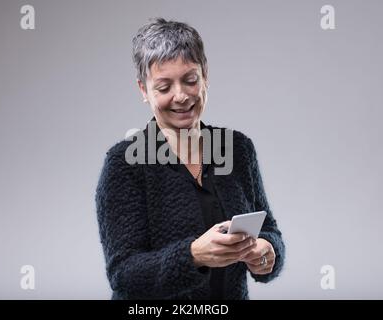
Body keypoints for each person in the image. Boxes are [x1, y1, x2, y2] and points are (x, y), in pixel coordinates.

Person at [95, 18, 285, 300]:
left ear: (205, 75)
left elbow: (269, 231)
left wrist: (267, 252)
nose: (181, 96)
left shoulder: (238, 148)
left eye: (190, 80)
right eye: (163, 87)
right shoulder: (125, 163)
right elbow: (124, 275)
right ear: (143, 90)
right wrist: (194, 255)